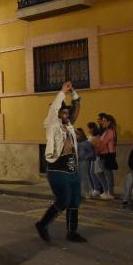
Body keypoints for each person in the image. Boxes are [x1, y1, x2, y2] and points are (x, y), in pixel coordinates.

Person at [35, 81, 87, 243]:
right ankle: (42, 225)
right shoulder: (52, 125)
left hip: (72, 169)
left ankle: (72, 232)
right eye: (62, 113)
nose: (66, 115)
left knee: (75, 201)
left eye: (66, 113)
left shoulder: (69, 126)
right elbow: (53, 110)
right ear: (57, 114)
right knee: (63, 200)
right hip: (57, 169)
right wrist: (62, 92)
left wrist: (74, 94)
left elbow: (76, 109)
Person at [93, 114, 117, 199]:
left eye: (104, 121)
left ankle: (110, 192)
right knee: (98, 172)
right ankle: (106, 190)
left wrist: (97, 148)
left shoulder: (110, 131)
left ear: (109, 122)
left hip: (107, 154)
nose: (102, 122)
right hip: (101, 154)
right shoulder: (106, 131)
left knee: (107, 174)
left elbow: (103, 143)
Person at [75, 128, 94, 199]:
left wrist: (85, 157)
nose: (76, 136)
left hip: (84, 162)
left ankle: (88, 192)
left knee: (85, 177)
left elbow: (91, 153)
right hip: (77, 161)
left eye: (77, 134)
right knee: (78, 177)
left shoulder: (86, 143)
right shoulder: (75, 143)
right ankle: (80, 192)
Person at [87, 122, 102, 198]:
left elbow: (93, 145)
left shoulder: (96, 137)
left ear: (92, 128)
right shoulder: (91, 136)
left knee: (93, 173)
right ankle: (95, 188)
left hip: (96, 156)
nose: (88, 130)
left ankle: (97, 189)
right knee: (91, 173)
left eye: (89, 128)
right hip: (92, 156)